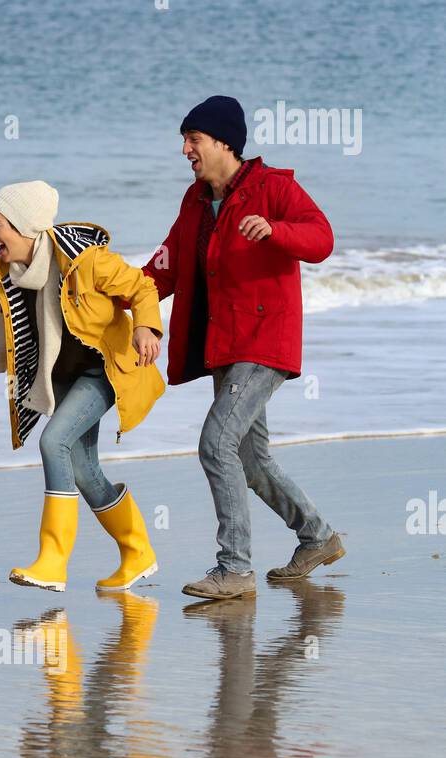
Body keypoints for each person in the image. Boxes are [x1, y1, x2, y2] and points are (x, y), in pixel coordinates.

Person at [141, 96, 344, 600]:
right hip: (223, 346)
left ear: (224, 143)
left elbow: (321, 239)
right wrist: (120, 296)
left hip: (265, 340)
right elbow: (165, 268)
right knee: (251, 460)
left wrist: (276, 231)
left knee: (215, 443)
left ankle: (234, 569)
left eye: (195, 139)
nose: (185, 149)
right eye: (184, 140)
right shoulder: (193, 201)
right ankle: (317, 536)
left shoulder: (274, 188)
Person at [0, 181, 164, 593]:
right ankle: (138, 551)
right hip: (67, 381)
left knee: (53, 442)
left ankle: (53, 561)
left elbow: (142, 286)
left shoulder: (84, 261)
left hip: (106, 371)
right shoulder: (12, 276)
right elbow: (3, 340)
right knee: (85, 472)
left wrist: (146, 326)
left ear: (24, 226)